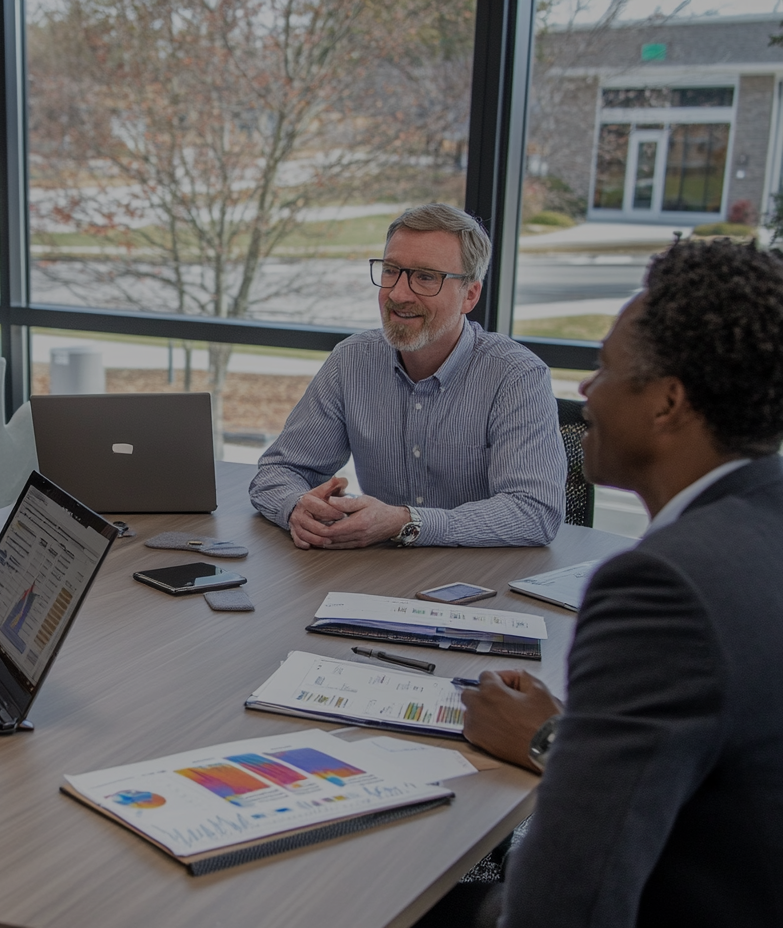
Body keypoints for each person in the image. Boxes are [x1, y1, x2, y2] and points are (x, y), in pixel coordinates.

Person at [458, 240, 783, 927]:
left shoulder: (662, 585)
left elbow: (568, 903)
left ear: (667, 402)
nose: (584, 392)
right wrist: (559, 739)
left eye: (603, 367)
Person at [249, 203, 565, 549]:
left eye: (425, 277)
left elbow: (535, 512)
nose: (398, 294)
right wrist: (297, 507)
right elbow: (278, 471)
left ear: (469, 295)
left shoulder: (516, 376)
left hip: (482, 579)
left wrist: (406, 522)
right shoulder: (352, 360)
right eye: (391, 271)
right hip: (383, 575)